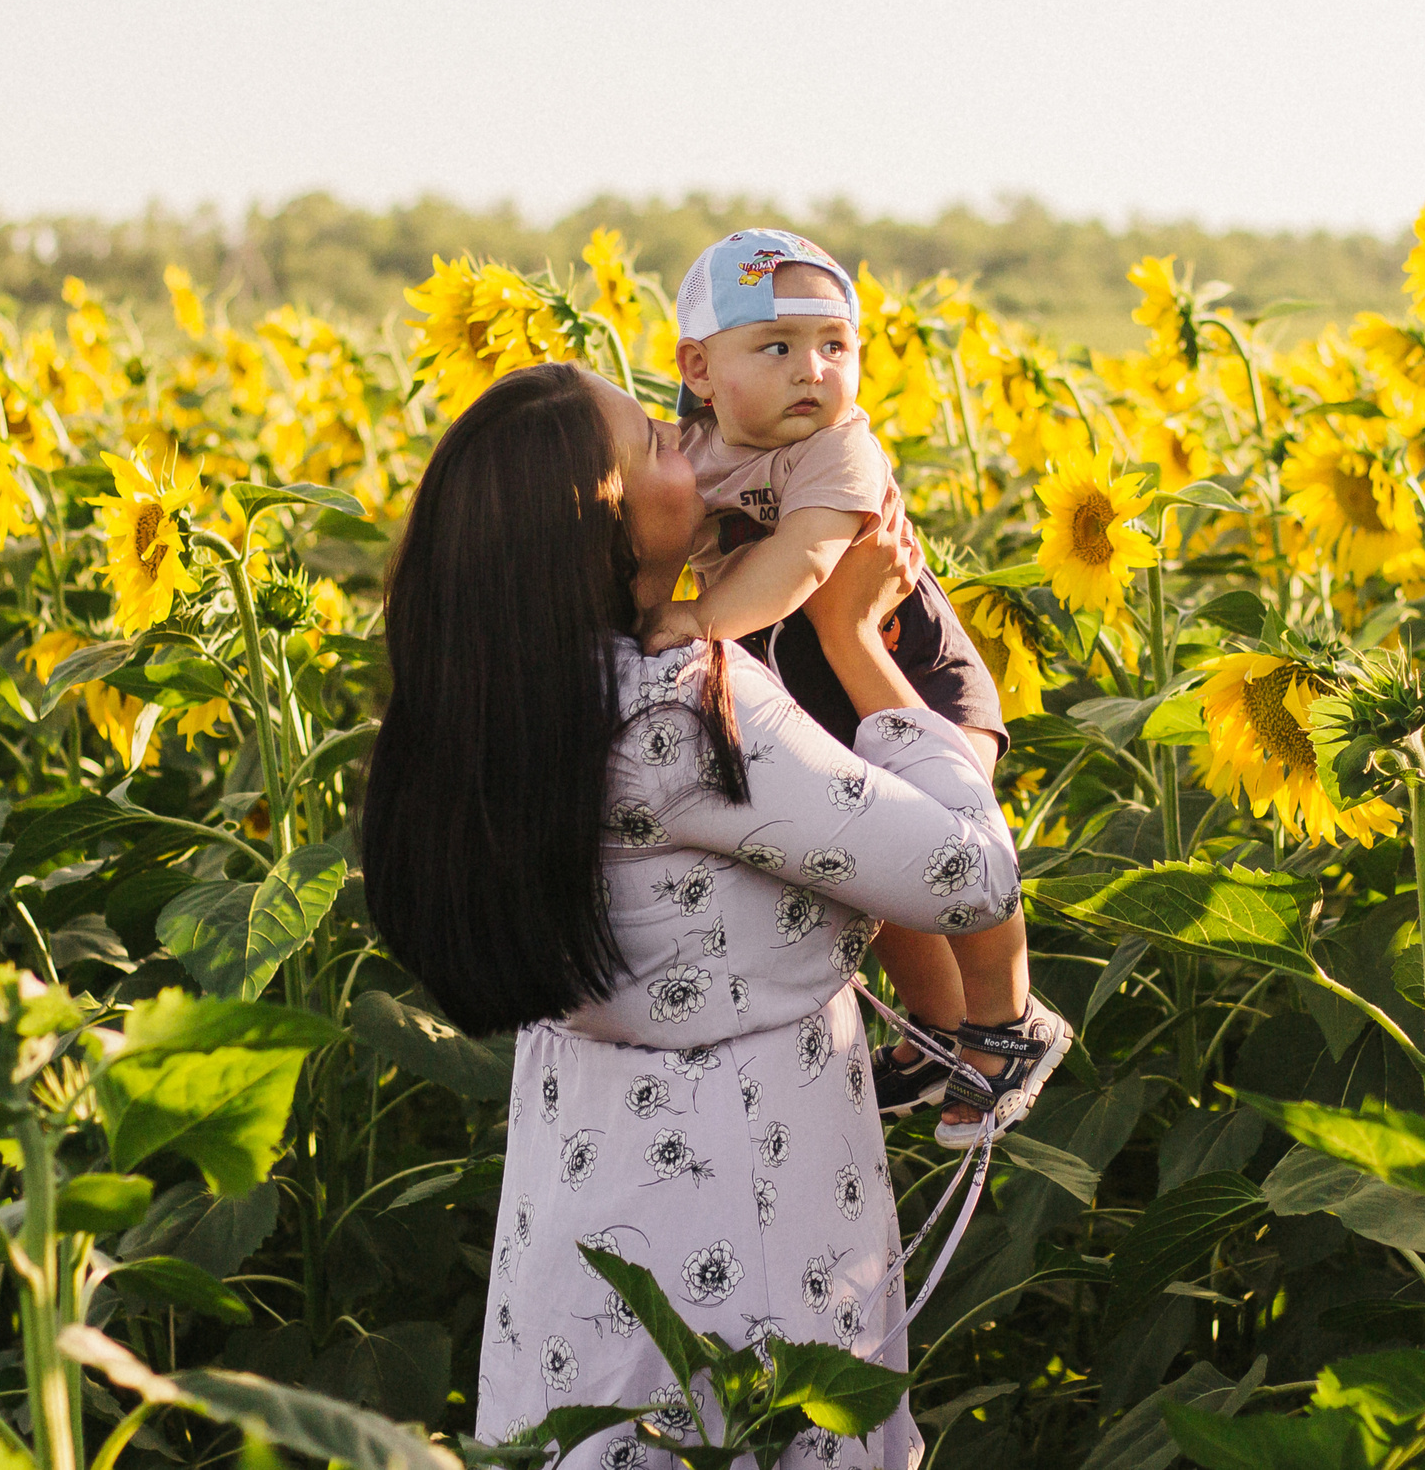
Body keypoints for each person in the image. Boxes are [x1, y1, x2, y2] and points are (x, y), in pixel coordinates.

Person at [362, 361, 1025, 1468]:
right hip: (749, 1179)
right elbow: (969, 873)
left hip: (578, 1177)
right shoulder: (679, 708)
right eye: (658, 444)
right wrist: (856, 638)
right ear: (608, 528)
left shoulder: (487, 700)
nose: (693, 439)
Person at [635, 229, 1069, 1142]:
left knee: (952, 840)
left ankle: (1007, 1018)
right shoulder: (688, 453)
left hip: (920, 677)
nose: (813, 370)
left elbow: (805, 559)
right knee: (881, 871)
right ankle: (939, 1029)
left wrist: (698, 618)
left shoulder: (841, 448)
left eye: (836, 345)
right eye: (777, 346)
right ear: (699, 369)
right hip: (815, 685)